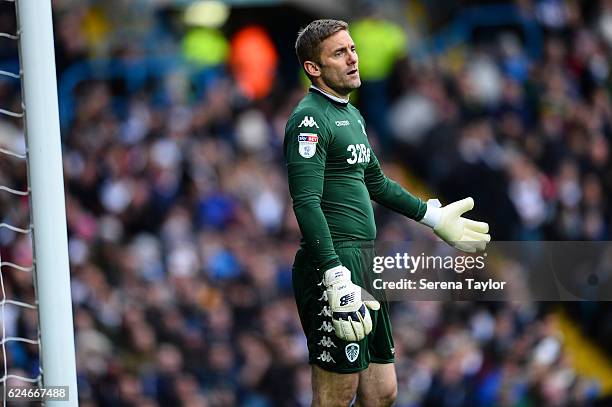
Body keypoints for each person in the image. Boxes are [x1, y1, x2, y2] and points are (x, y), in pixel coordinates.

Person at [284, 19, 491, 406]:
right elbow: (306, 202)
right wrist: (333, 274)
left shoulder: (353, 116)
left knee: (382, 392)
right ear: (314, 68)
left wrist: (432, 217)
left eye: (353, 49)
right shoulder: (309, 119)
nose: (353, 59)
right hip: (333, 265)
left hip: (364, 260)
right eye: (339, 53)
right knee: (336, 394)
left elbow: (377, 182)